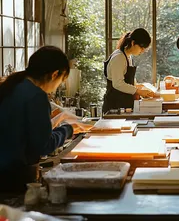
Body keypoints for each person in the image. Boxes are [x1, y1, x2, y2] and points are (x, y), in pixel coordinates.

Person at [0, 46, 85, 192]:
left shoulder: (10, 86)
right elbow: (43, 145)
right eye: (61, 81)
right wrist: (68, 129)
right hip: (12, 176)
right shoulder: (36, 96)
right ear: (55, 74)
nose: (58, 86)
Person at [103, 28, 154, 114]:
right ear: (133, 43)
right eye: (141, 48)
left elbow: (128, 80)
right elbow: (118, 84)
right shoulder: (118, 57)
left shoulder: (128, 56)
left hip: (124, 104)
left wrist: (140, 87)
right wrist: (138, 91)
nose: (142, 51)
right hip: (115, 106)